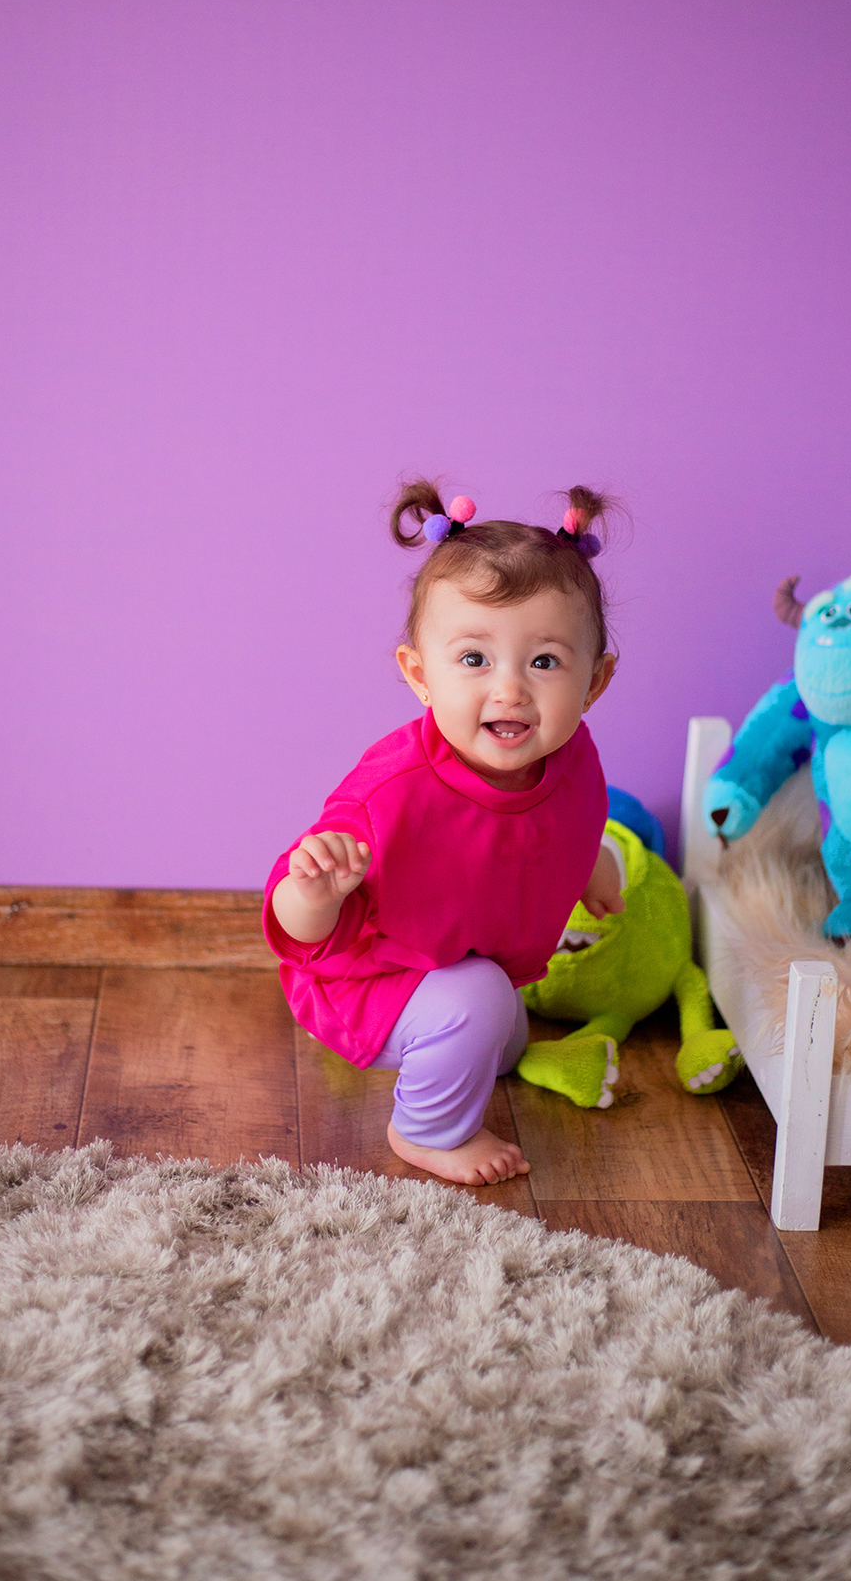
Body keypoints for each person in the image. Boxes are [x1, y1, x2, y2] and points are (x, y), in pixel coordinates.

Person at [264, 479, 624, 1185]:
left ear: (594, 684)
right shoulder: (392, 792)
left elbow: (560, 825)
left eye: (544, 661)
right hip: (365, 979)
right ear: (419, 674)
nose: (511, 689)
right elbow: (293, 928)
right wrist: (317, 891)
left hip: (456, 964)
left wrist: (592, 867)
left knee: (503, 1033)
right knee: (482, 1002)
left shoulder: (570, 756)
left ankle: (467, 1036)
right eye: (473, 659)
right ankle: (427, 1131)